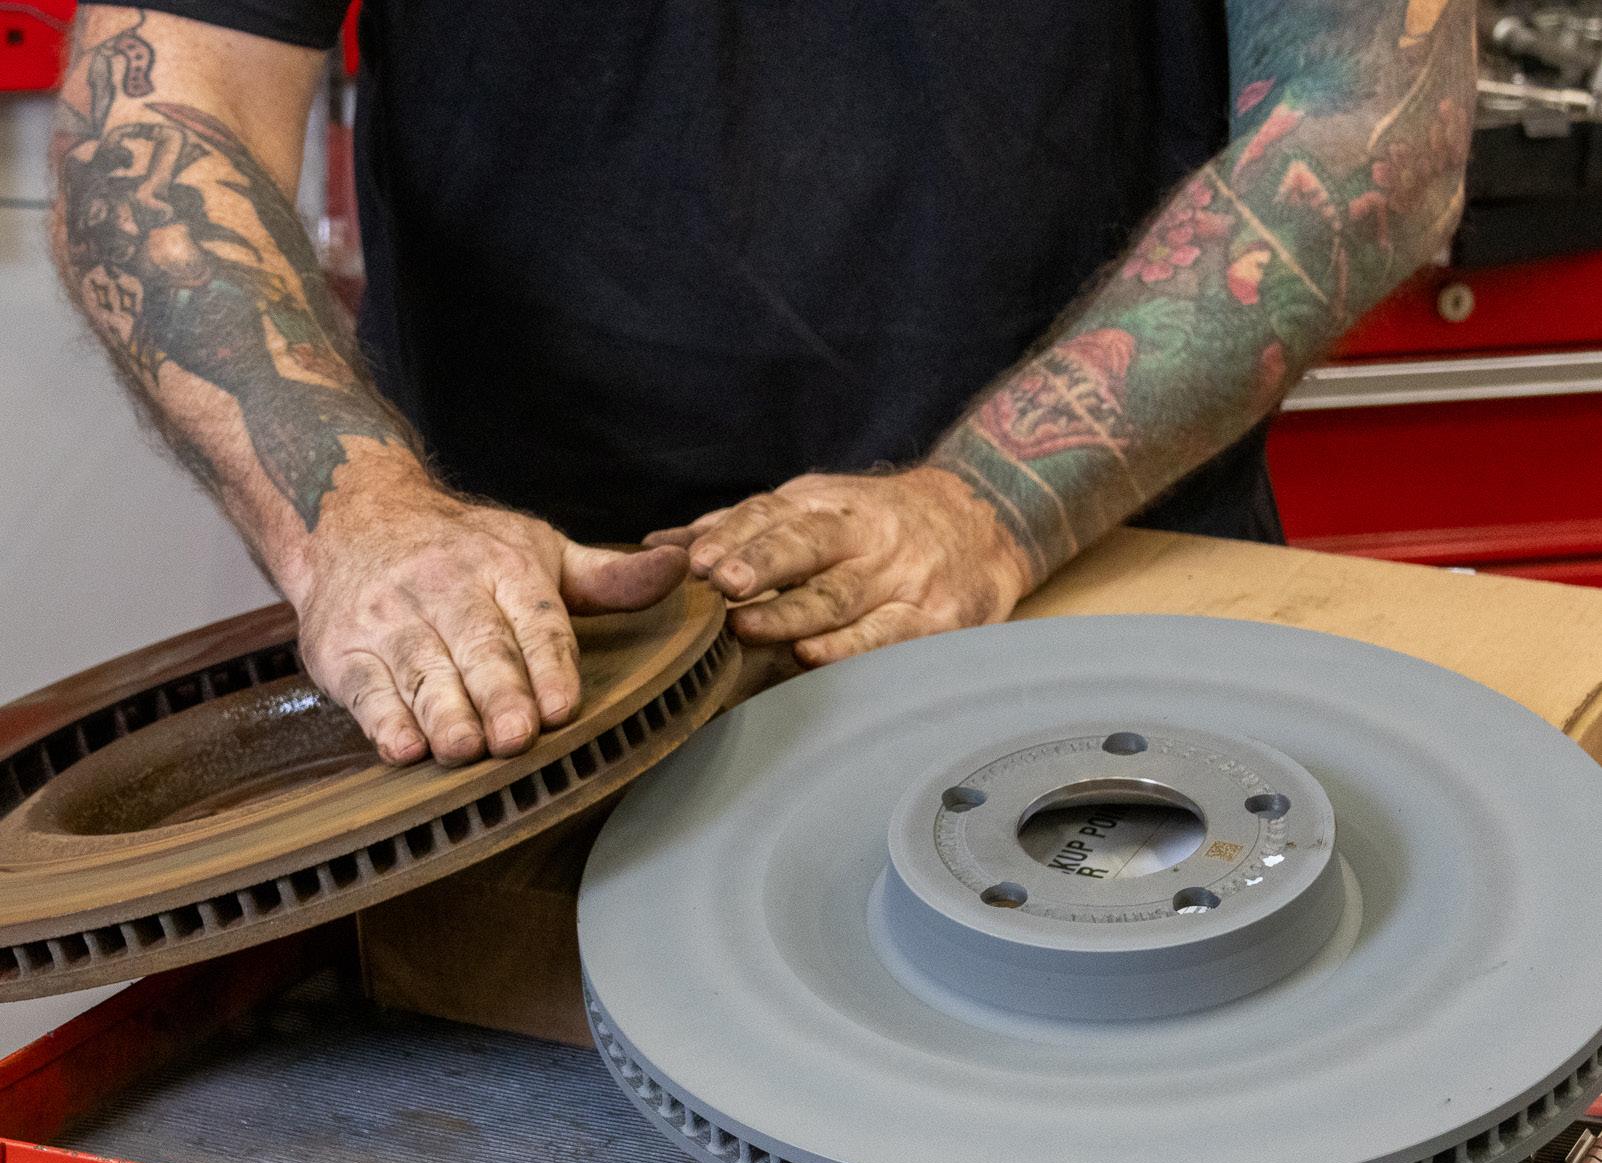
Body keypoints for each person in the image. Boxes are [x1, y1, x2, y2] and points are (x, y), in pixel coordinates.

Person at [54, 1, 1474, 766]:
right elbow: (162, 105)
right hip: (536, 663)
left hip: (1096, 593)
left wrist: (990, 507)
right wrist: (358, 517)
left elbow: (1365, 120)